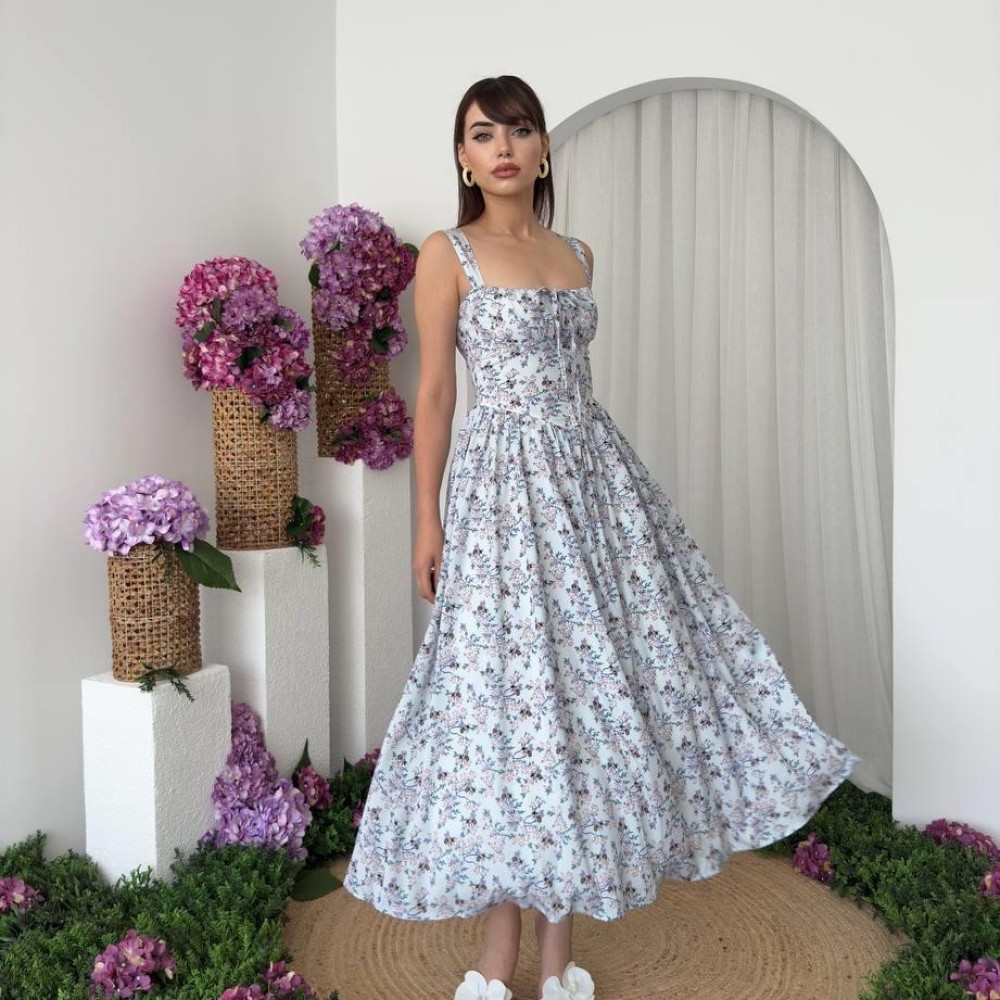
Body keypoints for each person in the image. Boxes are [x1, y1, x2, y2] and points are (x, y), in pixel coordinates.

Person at [342, 75, 859, 1000]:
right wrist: (427, 517)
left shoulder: (579, 253)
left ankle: (557, 962)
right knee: (510, 706)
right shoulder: (446, 254)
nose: (503, 146)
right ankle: (497, 961)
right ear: (462, 156)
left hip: (595, 489)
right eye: (483, 133)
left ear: (543, 149)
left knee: (585, 702)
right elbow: (436, 394)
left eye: (519, 129)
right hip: (503, 496)